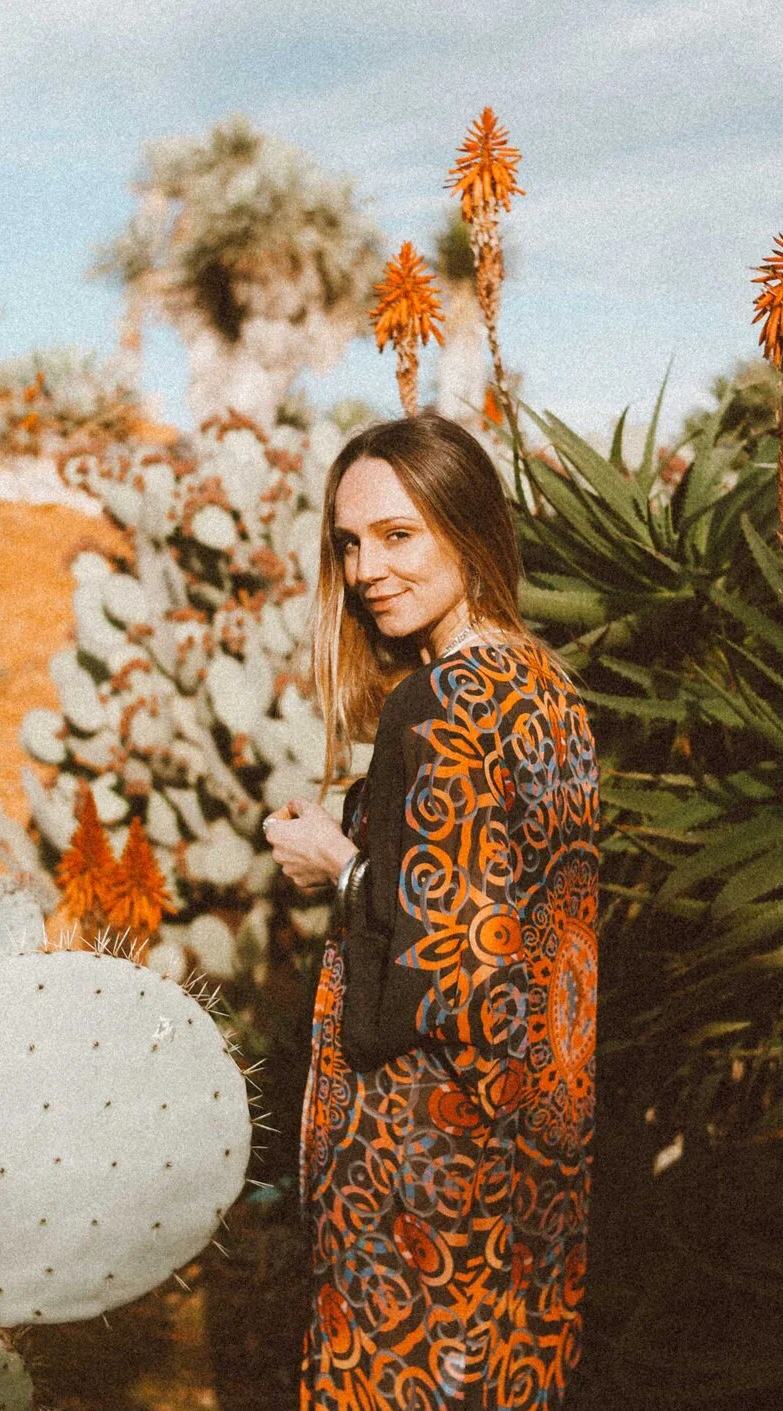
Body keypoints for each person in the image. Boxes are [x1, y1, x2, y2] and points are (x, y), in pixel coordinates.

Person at [263, 413, 600, 1410]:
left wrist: (337, 861)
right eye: (349, 542)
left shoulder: (437, 701)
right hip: (534, 1155)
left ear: (469, 532)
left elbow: (448, 955)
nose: (367, 567)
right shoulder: (549, 691)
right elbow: (525, 916)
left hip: (417, 1160)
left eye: (397, 534)